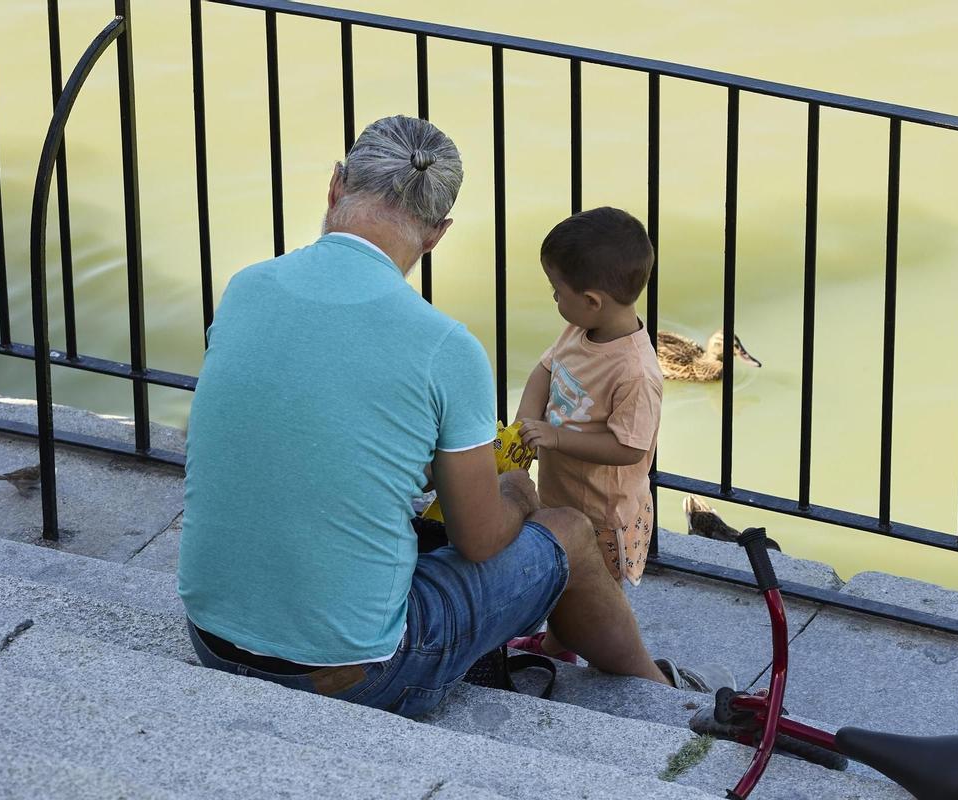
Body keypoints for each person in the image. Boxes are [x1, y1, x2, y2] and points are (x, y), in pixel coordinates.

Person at [177, 116, 716, 719]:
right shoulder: (445, 347)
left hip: (212, 638)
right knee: (568, 530)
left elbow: (247, 436)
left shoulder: (247, 287)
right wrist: (512, 490)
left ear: (335, 187)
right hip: (355, 673)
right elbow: (479, 539)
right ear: (437, 233)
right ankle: (662, 701)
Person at [510, 207, 733, 692]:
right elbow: (545, 371)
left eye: (556, 290)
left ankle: (627, 674)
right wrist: (526, 424)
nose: (552, 298)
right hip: (564, 493)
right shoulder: (580, 330)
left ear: (591, 299)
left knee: (595, 591)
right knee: (564, 578)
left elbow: (630, 448)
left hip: (604, 510)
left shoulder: (635, 373)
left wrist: (554, 437)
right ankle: (557, 644)